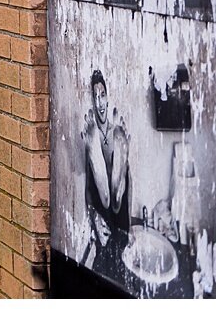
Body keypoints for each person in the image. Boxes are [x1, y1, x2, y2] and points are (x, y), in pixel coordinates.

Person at [83, 70, 131, 277]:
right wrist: (93, 215)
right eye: (95, 97)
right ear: (93, 103)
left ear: (108, 97)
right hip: (102, 211)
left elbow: (130, 179)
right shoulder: (91, 133)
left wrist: (129, 222)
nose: (99, 102)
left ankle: (114, 193)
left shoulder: (115, 129)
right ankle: (100, 167)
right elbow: (86, 188)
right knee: (102, 196)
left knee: (118, 193)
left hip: (119, 208)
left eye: (102, 95)